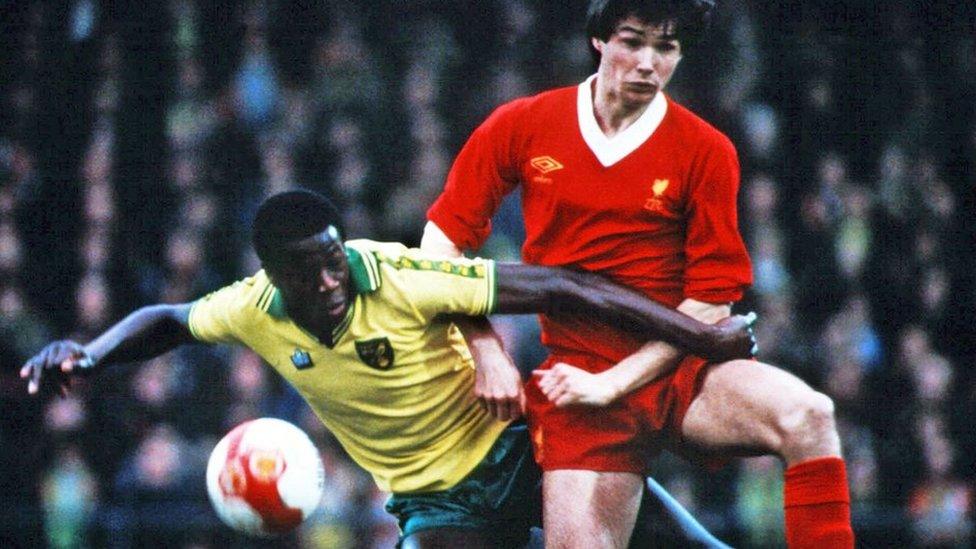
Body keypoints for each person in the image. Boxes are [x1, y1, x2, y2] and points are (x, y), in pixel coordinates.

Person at [22, 190, 756, 548]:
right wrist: (90, 352)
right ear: (277, 276)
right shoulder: (252, 307)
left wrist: (697, 335)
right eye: (314, 271)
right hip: (437, 504)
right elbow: (171, 320)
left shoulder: (401, 274)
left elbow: (569, 286)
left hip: (525, 449)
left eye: (337, 258)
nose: (336, 278)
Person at [422, 1, 855, 548]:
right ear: (600, 40)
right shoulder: (523, 124)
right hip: (576, 377)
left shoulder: (706, 150)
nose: (649, 62)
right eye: (633, 41)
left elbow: (710, 307)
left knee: (810, 415)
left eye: (666, 48)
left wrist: (616, 382)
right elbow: (437, 248)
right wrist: (484, 347)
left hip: (680, 366)